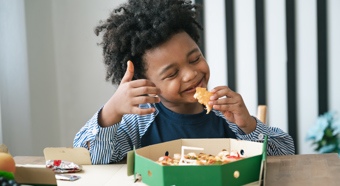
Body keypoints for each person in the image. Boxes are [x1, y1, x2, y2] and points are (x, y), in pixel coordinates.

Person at [74, 0, 295, 164]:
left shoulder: (227, 116)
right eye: (172, 74)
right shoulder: (137, 124)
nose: (190, 74)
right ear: (144, 84)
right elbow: (91, 160)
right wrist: (110, 112)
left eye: (195, 59)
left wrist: (249, 126)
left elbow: (286, 155)